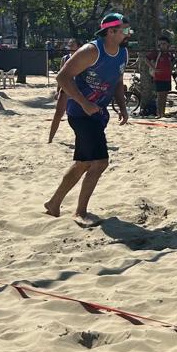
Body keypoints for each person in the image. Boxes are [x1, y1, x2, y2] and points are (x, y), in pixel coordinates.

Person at [44, 13, 129, 224]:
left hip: (97, 113)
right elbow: (62, 77)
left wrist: (122, 107)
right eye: (125, 30)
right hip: (80, 113)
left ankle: (53, 204)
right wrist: (84, 103)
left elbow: (117, 82)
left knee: (83, 163)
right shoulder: (91, 51)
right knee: (100, 162)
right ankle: (80, 212)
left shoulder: (123, 52)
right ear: (111, 31)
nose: (128, 33)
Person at [48, 38, 80, 141]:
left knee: (78, 116)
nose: (70, 47)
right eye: (69, 45)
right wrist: (58, 91)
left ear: (78, 46)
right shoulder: (65, 58)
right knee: (58, 114)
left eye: (72, 45)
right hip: (66, 89)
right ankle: (50, 139)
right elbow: (60, 76)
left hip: (78, 89)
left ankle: (81, 137)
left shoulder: (83, 57)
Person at [146, 37, 173, 117]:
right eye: (160, 44)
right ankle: (158, 113)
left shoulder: (169, 53)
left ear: (168, 44)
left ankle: (163, 113)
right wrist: (154, 68)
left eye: (164, 43)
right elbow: (146, 59)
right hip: (159, 78)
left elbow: (172, 61)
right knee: (160, 96)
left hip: (167, 77)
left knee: (165, 96)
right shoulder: (156, 52)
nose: (162, 45)